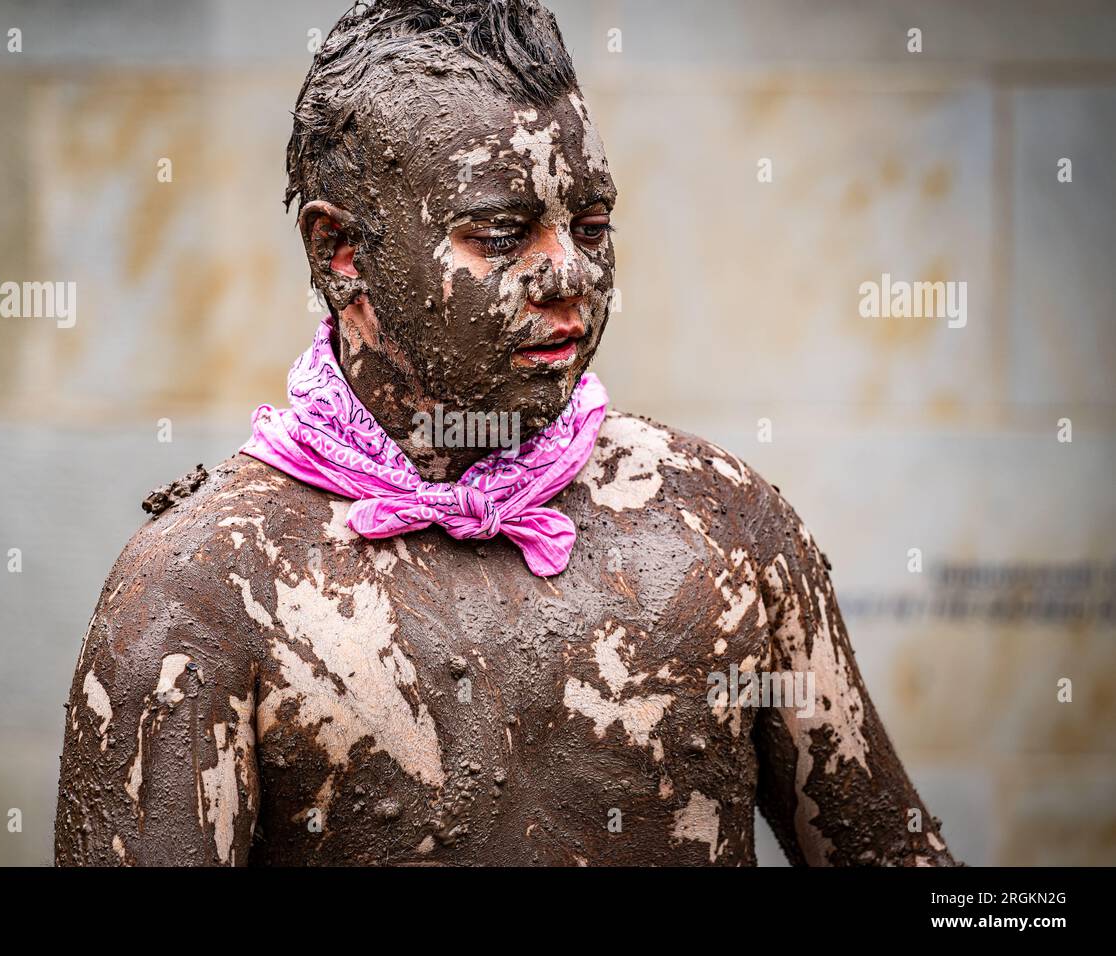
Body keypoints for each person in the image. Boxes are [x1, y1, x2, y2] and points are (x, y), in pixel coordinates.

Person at [54, 0, 955, 866]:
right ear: (341, 256)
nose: (570, 272)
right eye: (501, 234)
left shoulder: (725, 532)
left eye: (592, 225)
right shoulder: (202, 594)